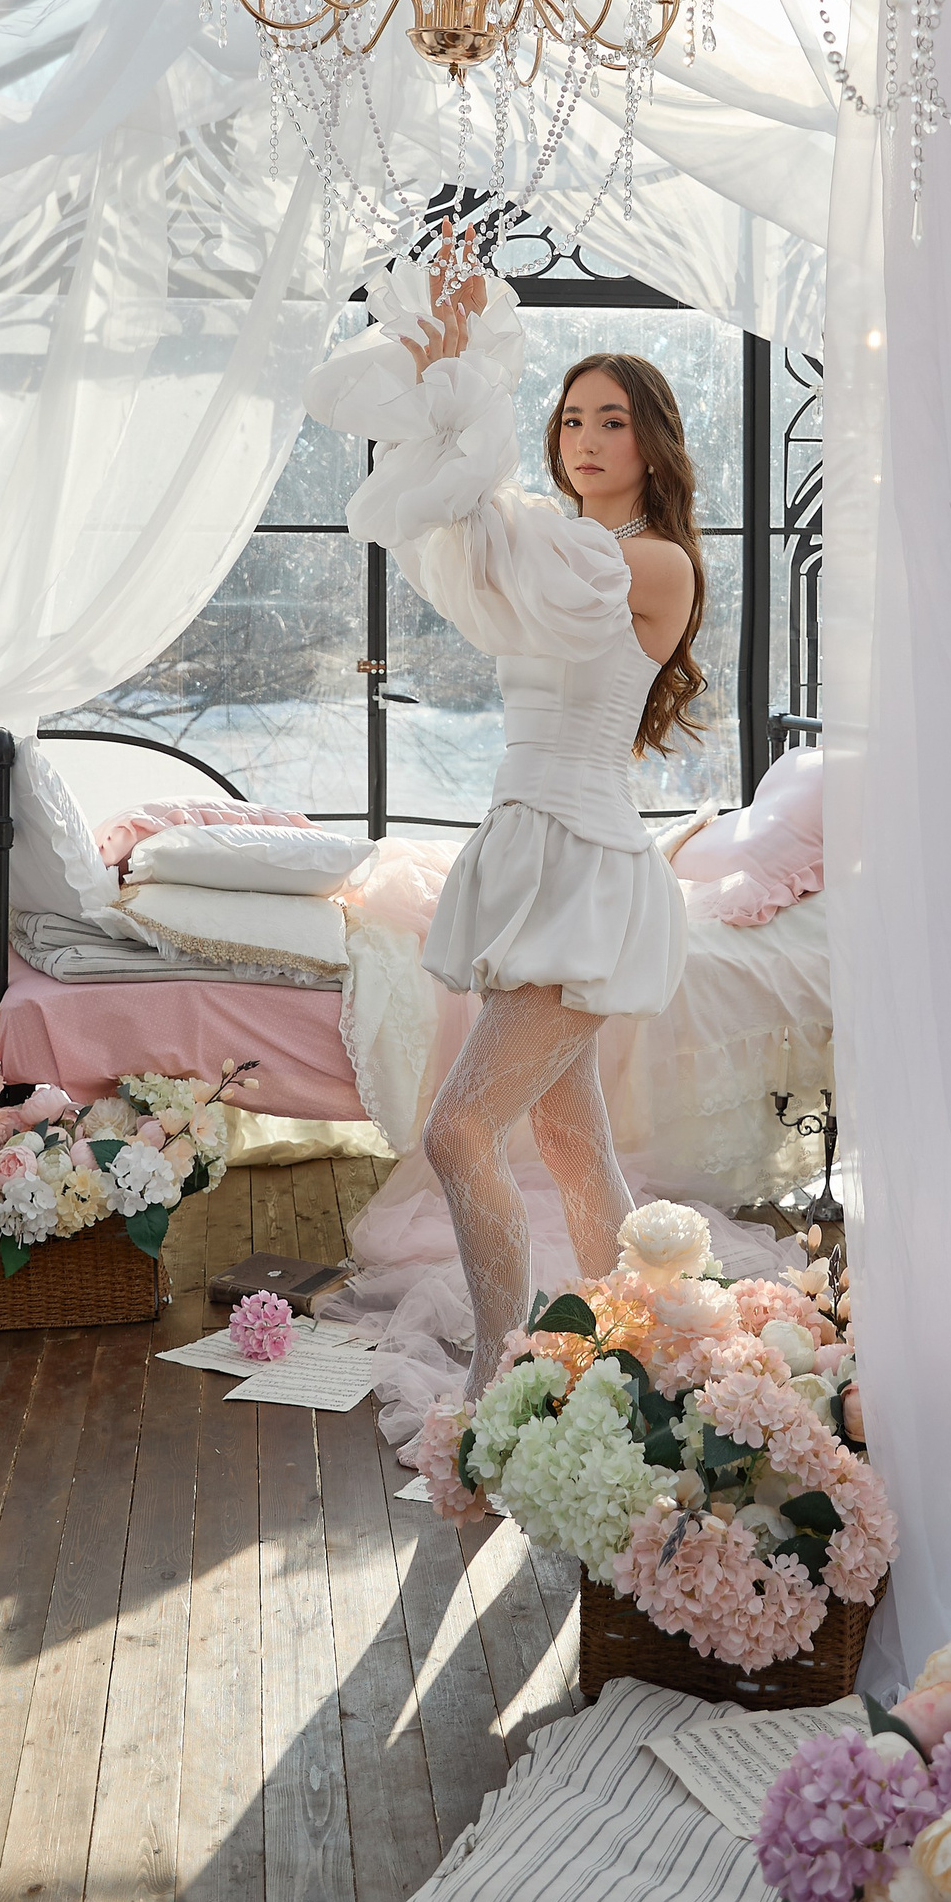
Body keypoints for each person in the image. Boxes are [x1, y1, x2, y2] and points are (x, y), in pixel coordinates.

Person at [304, 233, 705, 1391]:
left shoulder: (650, 564)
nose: (586, 439)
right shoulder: (555, 544)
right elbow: (468, 531)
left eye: (612, 421)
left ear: (653, 443)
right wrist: (444, 383)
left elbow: (500, 530)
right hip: (531, 847)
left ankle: (501, 1374)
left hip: (585, 864)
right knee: (571, 1141)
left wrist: (457, 388)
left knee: (458, 1131)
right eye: (571, 418)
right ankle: (634, 1359)